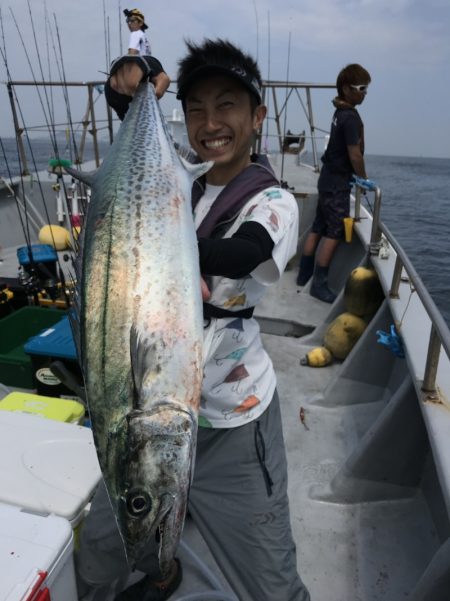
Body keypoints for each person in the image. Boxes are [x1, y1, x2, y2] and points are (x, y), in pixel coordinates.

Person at [75, 38, 310, 601]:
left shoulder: (273, 201)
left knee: (271, 582)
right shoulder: (183, 177)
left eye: (227, 105)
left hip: (234, 423)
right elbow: (130, 120)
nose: (211, 123)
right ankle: (160, 570)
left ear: (256, 117)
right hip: (156, 418)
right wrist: (135, 83)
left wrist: (149, 239)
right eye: (197, 109)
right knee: (106, 545)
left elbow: (245, 252)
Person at [296, 63, 371, 303]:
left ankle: (303, 275)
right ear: (347, 89)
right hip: (337, 183)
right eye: (361, 88)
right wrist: (364, 179)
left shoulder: (339, 112)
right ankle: (318, 285)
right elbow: (355, 154)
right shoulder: (349, 118)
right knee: (335, 231)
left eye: (366, 89)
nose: (364, 93)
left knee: (318, 226)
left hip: (327, 180)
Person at [104, 8, 170, 120]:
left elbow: (132, 54)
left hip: (139, 71)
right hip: (147, 73)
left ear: (140, 23)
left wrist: (125, 67)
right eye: (128, 21)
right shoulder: (144, 38)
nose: (129, 24)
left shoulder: (136, 34)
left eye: (132, 20)